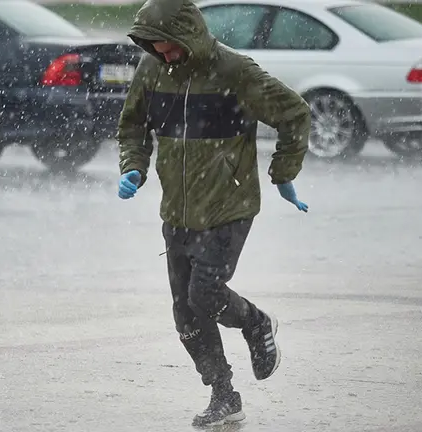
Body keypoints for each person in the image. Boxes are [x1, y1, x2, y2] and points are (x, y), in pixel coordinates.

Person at [116, 0, 311, 427]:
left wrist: (283, 173)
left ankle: (256, 323)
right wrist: (133, 165)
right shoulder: (152, 70)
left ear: (188, 35)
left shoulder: (234, 72)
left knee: (204, 294)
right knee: (185, 314)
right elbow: (133, 124)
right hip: (178, 211)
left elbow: (295, 113)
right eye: (154, 49)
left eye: (167, 48)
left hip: (229, 206)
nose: (162, 57)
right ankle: (224, 394)